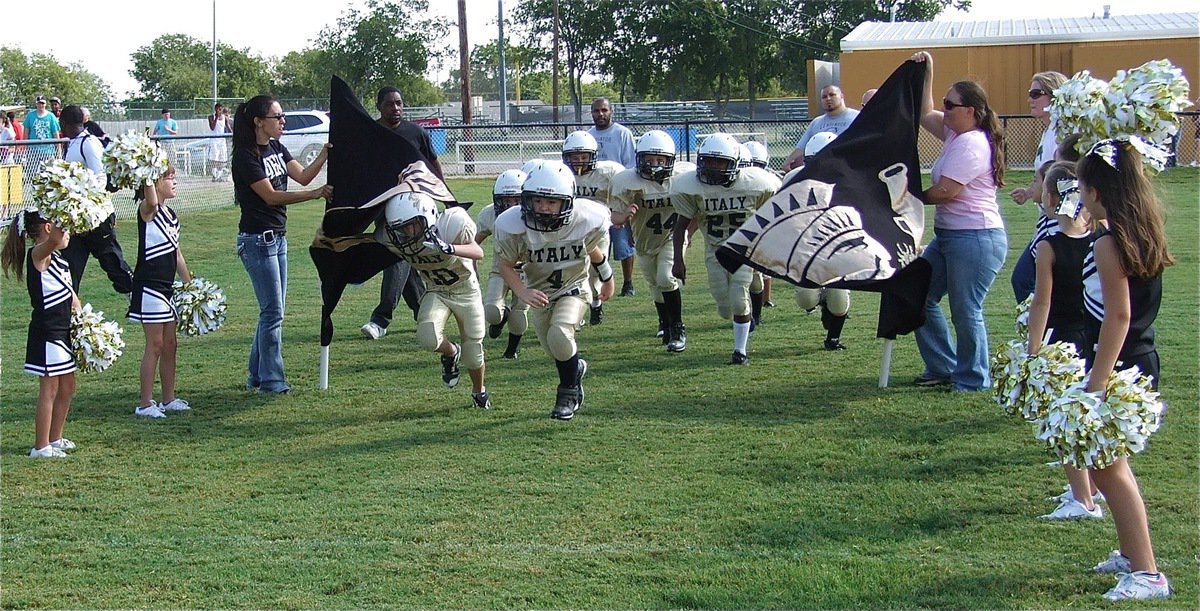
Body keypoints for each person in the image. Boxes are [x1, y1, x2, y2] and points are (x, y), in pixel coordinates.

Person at [1076, 138, 1173, 601]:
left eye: (1080, 185)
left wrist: (1097, 381)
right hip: (1139, 358)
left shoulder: (1110, 242)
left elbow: (1118, 315)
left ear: (1097, 190)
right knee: (1107, 466)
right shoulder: (1141, 230)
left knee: (1108, 468)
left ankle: (1148, 574)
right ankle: (1133, 554)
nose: (1078, 195)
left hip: (1123, 364)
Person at [910, 51, 1007, 392]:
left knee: (966, 310)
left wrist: (907, 197)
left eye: (951, 105)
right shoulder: (954, 133)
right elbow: (924, 113)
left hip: (975, 238)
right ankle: (943, 367)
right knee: (919, 295)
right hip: (950, 237)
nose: (945, 109)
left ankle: (973, 378)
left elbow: (946, 191)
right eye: (946, 103)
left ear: (970, 111)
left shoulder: (973, 144)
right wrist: (928, 72)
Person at [493, 162, 613, 420]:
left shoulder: (586, 219)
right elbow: (504, 265)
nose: (544, 208)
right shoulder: (513, 225)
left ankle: (567, 393)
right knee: (555, 349)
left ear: (567, 202)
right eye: (537, 201)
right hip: (540, 294)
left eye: (551, 202)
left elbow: (592, 249)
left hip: (574, 287)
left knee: (560, 334)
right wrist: (522, 292)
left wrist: (607, 276)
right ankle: (574, 369)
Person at [231, 95, 332, 395]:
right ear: (259, 122)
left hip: (278, 238)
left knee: (272, 311)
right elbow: (271, 196)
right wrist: (315, 195)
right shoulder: (245, 156)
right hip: (256, 240)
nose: (283, 121)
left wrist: (326, 153)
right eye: (278, 117)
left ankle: (256, 376)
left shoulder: (276, 146)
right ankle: (272, 382)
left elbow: (301, 176)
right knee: (273, 312)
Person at [1025, 161, 1101, 521]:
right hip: (1091, 337)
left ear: (1052, 199)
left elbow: (1042, 301)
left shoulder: (1047, 247)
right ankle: (1093, 489)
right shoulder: (1098, 240)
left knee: (1066, 420)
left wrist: (1032, 350)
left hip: (1061, 342)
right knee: (1088, 416)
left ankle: (1080, 499)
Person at [671, 133, 781, 365]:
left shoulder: (758, 183)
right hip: (714, 249)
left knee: (739, 297)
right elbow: (680, 225)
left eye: (719, 161)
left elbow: (770, 214)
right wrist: (678, 261)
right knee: (724, 305)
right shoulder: (690, 186)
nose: (713, 167)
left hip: (744, 249)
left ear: (736, 163)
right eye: (709, 161)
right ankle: (743, 320)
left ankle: (740, 351)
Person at [381, 191, 491, 408]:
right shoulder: (394, 238)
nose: (408, 232)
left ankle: (479, 391)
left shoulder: (451, 224)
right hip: (436, 291)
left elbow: (478, 252)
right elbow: (369, 242)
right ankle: (451, 352)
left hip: (465, 290)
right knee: (427, 336)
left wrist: (449, 248)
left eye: (413, 225)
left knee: (474, 353)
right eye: (402, 228)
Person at [360, 87, 438, 341]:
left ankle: (381, 319)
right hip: (383, 207)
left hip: (413, 209)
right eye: (390, 104)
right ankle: (423, 311)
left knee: (398, 255)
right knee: (404, 261)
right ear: (379, 106)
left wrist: (442, 192)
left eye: (399, 103)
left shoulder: (417, 133)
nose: (396, 108)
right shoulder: (370, 134)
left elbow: (432, 163)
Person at [2, 208, 79, 457]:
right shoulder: (38, 255)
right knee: (49, 389)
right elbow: (56, 239)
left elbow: (70, 293)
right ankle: (41, 446)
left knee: (67, 385)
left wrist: (83, 320)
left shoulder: (58, 260)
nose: (68, 232)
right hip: (46, 334)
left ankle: (55, 438)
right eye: (62, 226)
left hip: (62, 331)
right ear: (48, 228)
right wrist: (67, 205)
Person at [610, 130, 691, 351]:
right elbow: (613, 216)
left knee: (666, 278)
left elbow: (697, 210)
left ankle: (677, 329)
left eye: (660, 160)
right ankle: (664, 324)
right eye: (649, 159)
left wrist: (688, 234)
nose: (654, 165)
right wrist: (625, 216)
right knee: (655, 284)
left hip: (671, 237)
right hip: (644, 240)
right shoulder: (627, 181)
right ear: (640, 159)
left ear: (670, 160)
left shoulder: (682, 177)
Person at [128, 163, 193, 419]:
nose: (174, 182)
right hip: (149, 286)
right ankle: (145, 404)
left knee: (170, 344)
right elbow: (152, 204)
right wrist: (146, 166)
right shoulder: (147, 210)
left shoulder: (172, 215)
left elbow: (176, 252)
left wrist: (189, 283)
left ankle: (169, 398)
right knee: (154, 345)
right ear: (153, 184)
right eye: (169, 178)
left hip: (167, 288)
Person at [59, 105, 134, 295]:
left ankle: (138, 298)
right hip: (77, 221)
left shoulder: (89, 143)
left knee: (114, 264)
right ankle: (68, 310)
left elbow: (101, 178)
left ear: (64, 123)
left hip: (97, 219)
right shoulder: (73, 143)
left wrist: (85, 203)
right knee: (69, 268)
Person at [1009, 71, 1068, 303]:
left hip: (1060, 221)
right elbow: (1046, 176)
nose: (1030, 100)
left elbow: (1064, 178)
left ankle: (1044, 332)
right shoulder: (1049, 131)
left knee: (1024, 279)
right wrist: (1029, 192)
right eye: (1029, 94)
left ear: (1054, 97)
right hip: (1046, 219)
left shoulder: (1063, 132)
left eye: (1036, 94)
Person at [791, 131, 853, 351]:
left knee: (839, 299)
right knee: (806, 300)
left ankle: (833, 339)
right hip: (806, 246)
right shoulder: (794, 179)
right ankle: (822, 302)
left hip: (838, 245)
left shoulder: (850, 180)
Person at [562, 129, 621, 325]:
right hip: (570, 230)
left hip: (598, 230)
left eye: (583, 156)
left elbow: (623, 189)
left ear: (593, 156)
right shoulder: (561, 175)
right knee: (575, 270)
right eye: (575, 156)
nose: (579, 161)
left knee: (595, 270)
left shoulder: (607, 173)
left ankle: (596, 301)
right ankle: (576, 313)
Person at [475, 169, 529, 359]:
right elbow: (474, 242)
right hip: (500, 269)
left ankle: (511, 350)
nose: (512, 205)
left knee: (520, 312)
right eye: (507, 200)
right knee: (491, 312)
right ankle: (501, 317)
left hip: (527, 271)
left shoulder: (537, 215)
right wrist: (472, 266)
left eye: (517, 200)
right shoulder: (489, 215)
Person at [587, 97, 638, 297]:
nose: (600, 114)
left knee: (622, 241)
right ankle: (597, 283)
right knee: (595, 242)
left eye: (604, 110)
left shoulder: (622, 133)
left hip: (617, 194)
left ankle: (628, 282)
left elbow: (630, 164)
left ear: (611, 111)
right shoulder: (588, 135)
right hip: (596, 195)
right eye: (596, 111)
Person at [781, 85, 860, 172]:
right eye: (824, 97)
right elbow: (801, 147)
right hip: (820, 170)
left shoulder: (857, 117)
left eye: (832, 95)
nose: (828, 99)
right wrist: (788, 163)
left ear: (842, 96)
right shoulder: (816, 122)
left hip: (849, 168)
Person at [21, 96, 60, 178]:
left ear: (45, 104)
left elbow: (56, 134)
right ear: (36, 104)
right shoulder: (30, 116)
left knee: (49, 174)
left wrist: (58, 152)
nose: (41, 105)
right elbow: (26, 133)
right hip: (33, 151)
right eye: (39, 103)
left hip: (48, 151)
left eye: (42, 103)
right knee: (32, 175)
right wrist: (24, 149)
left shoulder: (51, 116)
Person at [208, 103, 233, 182]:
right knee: (214, 157)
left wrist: (233, 134)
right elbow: (212, 127)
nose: (219, 111)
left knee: (222, 158)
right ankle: (214, 175)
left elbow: (228, 127)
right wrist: (216, 117)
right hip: (214, 140)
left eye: (221, 109)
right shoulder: (211, 117)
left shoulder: (225, 118)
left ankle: (219, 175)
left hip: (222, 141)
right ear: (215, 109)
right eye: (218, 109)